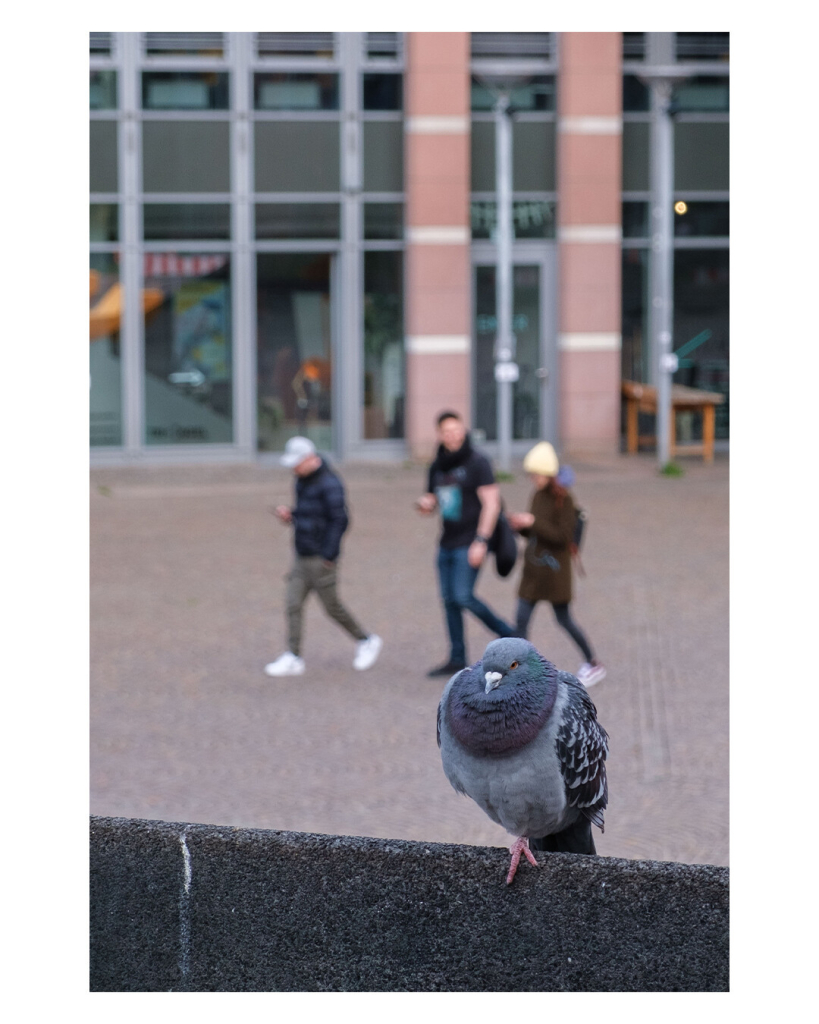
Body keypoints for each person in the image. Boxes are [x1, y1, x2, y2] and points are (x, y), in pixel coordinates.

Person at [264, 436, 383, 677]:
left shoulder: (330, 483)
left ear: (310, 458)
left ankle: (367, 640)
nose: (293, 468)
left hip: (321, 558)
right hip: (302, 554)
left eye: (296, 463)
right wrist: (292, 516)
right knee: (292, 604)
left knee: (332, 607)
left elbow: (340, 520)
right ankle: (293, 656)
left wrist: (329, 554)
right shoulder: (301, 480)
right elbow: (310, 514)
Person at [415, 410, 516, 677]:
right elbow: (433, 496)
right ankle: (457, 657)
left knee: (463, 596)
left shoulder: (477, 462)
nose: (453, 435)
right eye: (447, 431)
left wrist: (481, 541)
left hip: (469, 541)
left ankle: (510, 635)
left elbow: (492, 504)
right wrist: (427, 504)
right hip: (446, 542)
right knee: (449, 600)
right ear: (440, 435)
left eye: (456, 430)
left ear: (463, 430)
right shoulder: (437, 464)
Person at [507, 441, 606, 688]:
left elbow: (562, 537)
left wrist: (533, 522)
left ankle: (592, 663)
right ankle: (520, 671)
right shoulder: (537, 495)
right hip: (533, 571)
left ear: (548, 473)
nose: (532, 478)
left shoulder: (565, 499)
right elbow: (536, 532)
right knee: (521, 619)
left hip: (554, 573)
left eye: (536, 473)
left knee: (564, 619)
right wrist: (522, 527)